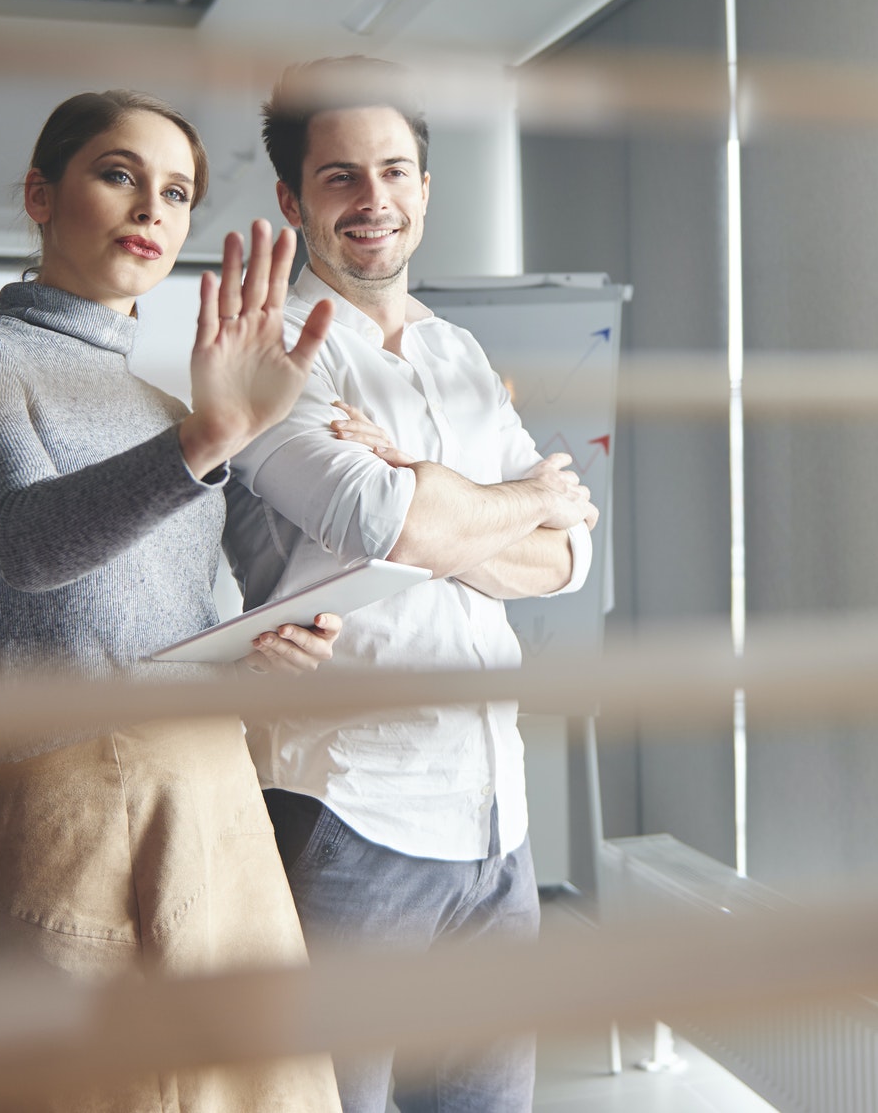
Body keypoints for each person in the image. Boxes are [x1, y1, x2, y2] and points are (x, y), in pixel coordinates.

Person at [0, 89, 341, 1113]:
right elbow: (27, 545)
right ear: (40, 195)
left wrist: (253, 644)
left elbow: (179, 611)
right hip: (58, 808)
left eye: (176, 191)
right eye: (117, 174)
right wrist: (207, 440)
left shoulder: (162, 406)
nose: (151, 208)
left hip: (210, 792)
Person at [224, 58, 598, 1113]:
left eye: (394, 171)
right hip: (350, 815)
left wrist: (431, 491)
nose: (373, 199)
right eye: (339, 178)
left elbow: (568, 560)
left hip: (492, 821)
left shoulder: (460, 353)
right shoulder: (272, 360)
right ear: (294, 202)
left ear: (426, 190)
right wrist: (500, 495)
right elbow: (383, 524)